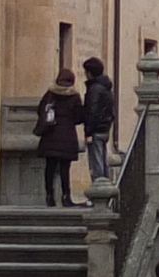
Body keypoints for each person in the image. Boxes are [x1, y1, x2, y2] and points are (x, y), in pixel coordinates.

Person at [34, 69, 87, 207]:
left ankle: (50, 196)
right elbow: (78, 117)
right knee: (65, 167)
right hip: (67, 135)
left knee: (50, 167)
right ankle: (66, 196)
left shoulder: (50, 94)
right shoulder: (74, 97)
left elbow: (40, 110)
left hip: (50, 134)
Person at [80, 55, 119, 189]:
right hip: (105, 129)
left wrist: (87, 132)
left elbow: (92, 111)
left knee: (96, 161)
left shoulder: (95, 89)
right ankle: (105, 188)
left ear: (90, 72)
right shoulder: (106, 88)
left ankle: (98, 191)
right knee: (103, 160)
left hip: (96, 130)